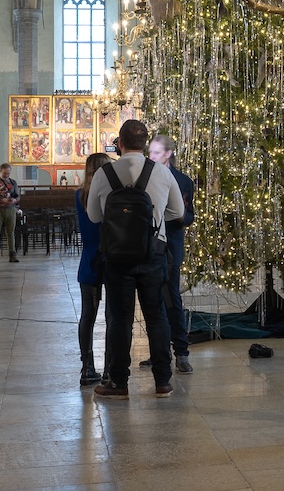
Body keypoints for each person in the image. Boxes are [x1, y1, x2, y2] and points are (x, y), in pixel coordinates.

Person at [87, 119, 184, 399]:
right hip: (153, 253)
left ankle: (118, 383)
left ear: (120, 142)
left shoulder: (105, 174)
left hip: (117, 256)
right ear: (145, 143)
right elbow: (177, 211)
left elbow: (94, 216)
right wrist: (152, 224)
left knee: (120, 319)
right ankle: (163, 381)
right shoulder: (162, 173)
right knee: (157, 316)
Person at [139, 134, 196, 375]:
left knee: (171, 297)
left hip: (171, 245)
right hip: (150, 244)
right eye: (150, 152)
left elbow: (189, 216)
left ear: (168, 154)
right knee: (153, 298)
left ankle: (181, 353)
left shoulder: (182, 181)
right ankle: (158, 352)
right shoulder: (145, 176)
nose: (150, 157)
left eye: (156, 153)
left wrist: (181, 216)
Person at [76, 151, 110, 387]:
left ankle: (87, 368)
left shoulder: (80, 194)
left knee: (88, 315)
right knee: (113, 316)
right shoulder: (108, 194)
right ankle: (109, 369)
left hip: (88, 261)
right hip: (109, 259)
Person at [0, 162, 21, 263]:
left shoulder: (13, 182)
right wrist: (0, 200)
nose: (6, 175)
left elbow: (18, 196)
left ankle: (12, 254)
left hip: (10, 209)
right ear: (0, 172)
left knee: (10, 233)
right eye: (4, 173)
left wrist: (15, 201)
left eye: (8, 173)